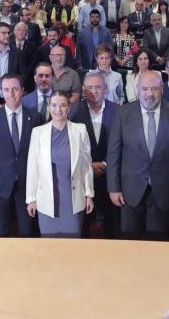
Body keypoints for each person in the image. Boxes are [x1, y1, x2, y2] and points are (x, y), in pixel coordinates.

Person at [107, 70, 169, 240]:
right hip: (130, 191)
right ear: (137, 89)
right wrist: (113, 188)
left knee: (158, 242)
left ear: (162, 89)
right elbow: (114, 153)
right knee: (129, 241)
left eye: (154, 88)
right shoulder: (123, 113)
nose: (149, 94)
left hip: (164, 190)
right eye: (145, 89)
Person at [26, 91, 94, 237]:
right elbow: (32, 168)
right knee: (49, 246)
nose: (58, 109)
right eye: (54, 105)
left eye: (63, 105)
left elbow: (86, 166)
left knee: (72, 245)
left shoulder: (80, 130)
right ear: (48, 107)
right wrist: (31, 199)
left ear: (69, 107)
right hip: (46, 200)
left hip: (73, 199)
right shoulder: (38, 132)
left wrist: (89, 194)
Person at [0, 74, 42, 236]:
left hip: (27, 185)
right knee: (1, 231)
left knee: (28, 231)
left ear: (22, 90)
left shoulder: (35, 117)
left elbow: (40, 156)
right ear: (1, 92)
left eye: (15, 89)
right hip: (1, 186)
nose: (11, 93)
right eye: (6, 89)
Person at [70, 72, 119, 237]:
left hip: (110, 174)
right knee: (83, 223)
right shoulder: (73, 111)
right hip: (83, 175)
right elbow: (70, 145)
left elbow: (122, 144)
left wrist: (105, 164)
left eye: (98, 87)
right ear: (83, 90)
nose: (94, 91)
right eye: (89, 88)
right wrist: (88, 166)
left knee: (112, 223)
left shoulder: (118, 111)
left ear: (106, 88)